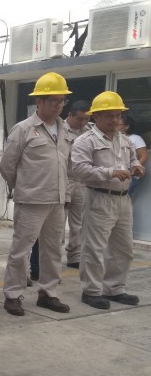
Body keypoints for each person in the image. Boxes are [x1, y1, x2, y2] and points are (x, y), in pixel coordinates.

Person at [0, 72, 72, 317]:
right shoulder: (24, 130)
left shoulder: (65, 130)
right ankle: (12, 294)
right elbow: (7, 166)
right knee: (21, 249)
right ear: (39, 102)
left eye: (62, 101)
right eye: (54, 101)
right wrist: (25, 187)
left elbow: (66, 166)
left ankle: (48, 293)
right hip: (31, 200)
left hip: (57, 201)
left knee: (53, 250)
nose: (59, 105)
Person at [72, 92, 145, 309]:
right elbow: (79, 170)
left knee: (123, 248)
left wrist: (137, 167)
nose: (115, 120)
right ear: (96, 117)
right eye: (110, 116)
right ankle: (92, 291)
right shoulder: (85, 141)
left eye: (117, 115)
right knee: (94, 248)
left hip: (123, 199)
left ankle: (114, 288)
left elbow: (132, 159)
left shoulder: (124, 140)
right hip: (99, 197)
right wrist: (110, 172)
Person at [61, 101, 91, 268]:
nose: (83, 122)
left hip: (82, 181)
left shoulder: (90, 131)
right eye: (80, 119)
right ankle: (51, 259)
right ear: (70, 115)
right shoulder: (59, 129)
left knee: (78, 222)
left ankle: (74, 257)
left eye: (86, 119)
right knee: (58, 222)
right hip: (64, 179)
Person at [117, 114, 147, 198]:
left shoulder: (135, 138)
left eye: (118, 124)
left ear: (127, 126)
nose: (115, 126)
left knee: (124, 197)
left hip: (130, 174)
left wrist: (135, 167)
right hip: (117, 174)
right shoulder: (113, 138)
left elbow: (144, 155)